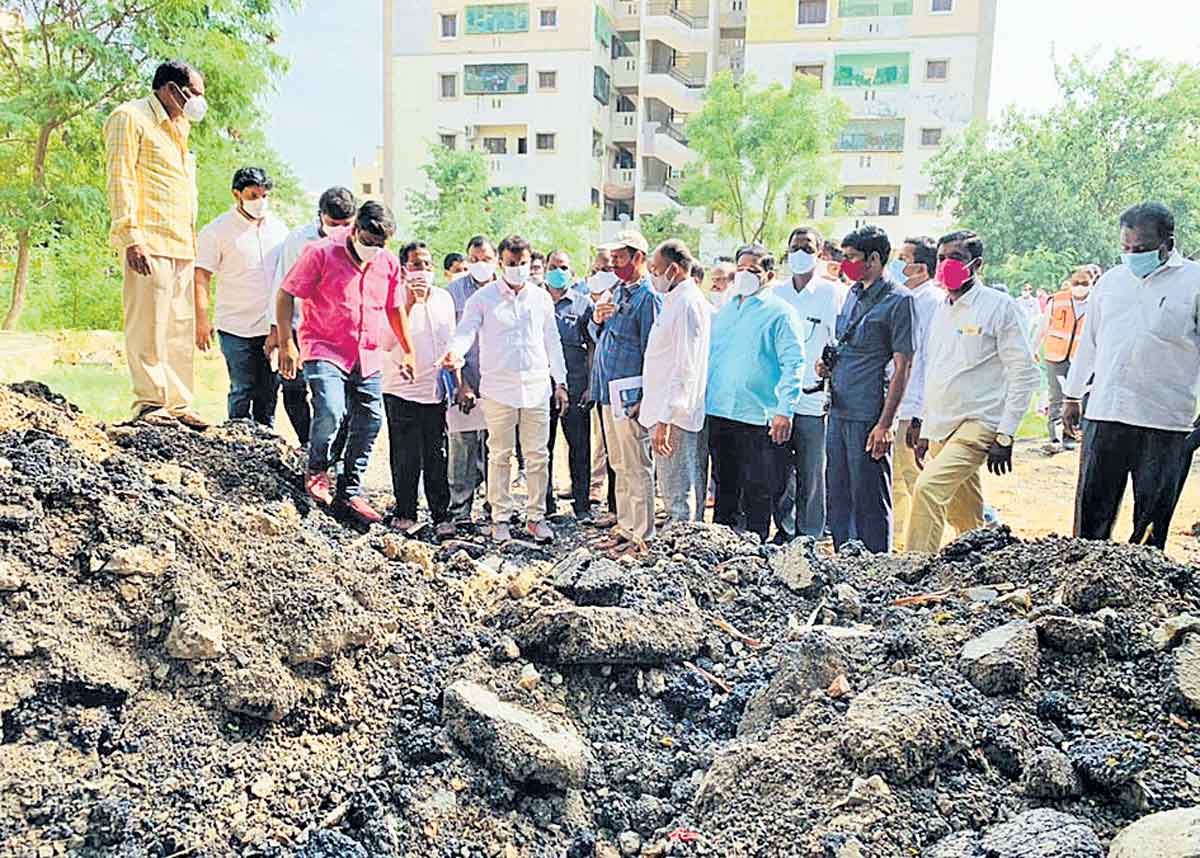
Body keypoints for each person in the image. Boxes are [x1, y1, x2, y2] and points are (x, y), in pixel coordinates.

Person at [1064, 202, 1200, 550]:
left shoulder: (1194, 283)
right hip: (1106, 413)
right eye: (1125, 248)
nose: (1131, 255)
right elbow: (1090, 344)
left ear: (1167, 242)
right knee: (1091, 516)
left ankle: (1143, 595)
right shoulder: (1111, 282)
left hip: (1165, 420)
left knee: (1151, 522)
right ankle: (1084, 581)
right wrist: (1073, 395)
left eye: (1140, 249)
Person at [277, 201, 412, 524]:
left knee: (370, 419)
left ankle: (349, 489)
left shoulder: (388, 263)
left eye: (380, 245)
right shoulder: (321, 252)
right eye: (368, 242)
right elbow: (286, 294)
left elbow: (395, 308)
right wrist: (285, 343)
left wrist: (408, 350)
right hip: (324, 346)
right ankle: (317, 468)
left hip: (367, 352)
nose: (373, 249)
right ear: (354, 230)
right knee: (331, 410)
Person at [905, 230, 1040, 555]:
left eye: (956, 258)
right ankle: (984, 561)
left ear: (975, 264)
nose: (946, 265)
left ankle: (913, 567)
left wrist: (1005, 435)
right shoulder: (941, 310)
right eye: (941, 258)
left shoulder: (999, 307)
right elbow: (936, 370)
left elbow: (1024, 373)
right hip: (943, 424)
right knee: (965, 515)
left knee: (928, 489)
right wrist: (922, 422)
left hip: (980, 423)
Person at [442, 234, 569, 544]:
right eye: (511, 264)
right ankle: (500, 518)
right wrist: (455, 353)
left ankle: (535, 517)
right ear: (501, 263)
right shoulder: (482, 300)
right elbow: (466, 331)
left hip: (536, 388)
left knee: (538, 455)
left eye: (522, 264)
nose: (517, 269)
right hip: (498, 390)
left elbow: (552, 341)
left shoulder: (540, 299)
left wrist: (560, 382)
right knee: (499, 455)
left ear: (529, 263)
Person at [104, 60, 209, 429]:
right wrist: (131, 237)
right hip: (149, 240)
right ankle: (150, 402)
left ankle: (179, 402)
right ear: (169, 89)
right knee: (147, 323)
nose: (198, 101)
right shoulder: (129, 117)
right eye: (194, 93)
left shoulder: (179, 127)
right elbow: (120, 180)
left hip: (181, 242)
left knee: (178, 328)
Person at [817, 225, 914, 554]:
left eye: (852, 258)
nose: (846, 264)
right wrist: (827, 366)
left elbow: (903, 366)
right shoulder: (852, 294)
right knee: (839, 493)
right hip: (840, 408)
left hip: (868, 412)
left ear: (874, 259)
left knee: (869, 498)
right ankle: (846, 560)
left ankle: (875, 568)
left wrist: (885, 424)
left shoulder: (899, 301)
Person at [706, 244, 805, 541]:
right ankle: (721, 553)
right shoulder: (726, 308)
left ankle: (754, 555)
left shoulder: (781, 313)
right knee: (724, 487)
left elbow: (794, 362)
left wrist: (784, 410)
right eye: (741, 269)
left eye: (754, 270)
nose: (745, 275)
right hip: (720, 411)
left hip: (758, 416)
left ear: (769, 275)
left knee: (757, 493)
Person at [584, 229, 663, 553]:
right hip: (608, 392)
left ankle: (642, 535)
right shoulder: (616, 290)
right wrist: (597, 319)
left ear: (638, 258)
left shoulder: (648, 297)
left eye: (619, 258)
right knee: (619, 465)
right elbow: (599, 333)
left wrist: (647, 396)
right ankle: (626, 526)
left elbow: (653, 350)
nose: (614, 264)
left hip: (631, 396)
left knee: (637, 465)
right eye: (612, 258)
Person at [194, 167, 289, 427]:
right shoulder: (217, 231)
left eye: (264, 195)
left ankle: (266, 445)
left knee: (269, 392)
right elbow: (201, 275)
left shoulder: (280, 230)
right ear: (237, 194)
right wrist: (202, 320)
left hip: (271, 325)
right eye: (253, 195)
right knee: (242, 388)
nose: (260, 202)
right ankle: (237, 440)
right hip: (234, 325)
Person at [270, 186, 358, 446]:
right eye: (334, 224)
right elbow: (283, 286)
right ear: (320, 216)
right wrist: (281, 336)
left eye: (346, 224)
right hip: (300, 325)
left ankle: (332, 450)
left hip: (337, 330)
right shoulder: (299, 240)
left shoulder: (358, 241)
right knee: (293, 386)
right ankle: (308, 442)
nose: (340, 229)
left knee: (336, 398)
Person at [769, 226, 841, 541]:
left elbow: (840, 342)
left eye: (808, 248)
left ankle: (809, 533)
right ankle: (784, 529)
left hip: (814, 398)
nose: (801, 254)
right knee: (779, 471)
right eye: (795, 247)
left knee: (813, 472)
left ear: (820, 252)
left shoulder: (833, 293)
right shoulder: (776, 293)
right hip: (779, 399)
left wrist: (830, 368)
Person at [382, 240, 456, 538]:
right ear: (403, 269)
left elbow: (449, 340)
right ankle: (405, 512)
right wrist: (409, 304)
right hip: (400, 389)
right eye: (415, 265)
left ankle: (441, 514)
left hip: (434, 390)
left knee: (435, 455)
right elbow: (385, 342)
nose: (422, 271)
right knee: (405, 454)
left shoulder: (443, 299)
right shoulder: (394, 299)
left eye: (427, 265)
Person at [642, 240, 711, 523]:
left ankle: (682, 553)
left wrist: (666, 419)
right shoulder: (676, 300)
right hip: (665, 410)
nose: (653, 276)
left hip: (674, 416)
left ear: (673, 269)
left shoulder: (687, 303)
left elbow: (686, 366)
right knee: (673, 488)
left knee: (679, 493)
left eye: (656, 270)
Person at [890, 236, 944, 551]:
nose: (897, 265)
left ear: (920, 268)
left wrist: (921, 415)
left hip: (914, 410)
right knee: (897, 482)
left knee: (916, 481)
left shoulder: (931, 303)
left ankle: (923, 550)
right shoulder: (907, 299)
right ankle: (899, 547)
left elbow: (929, 362)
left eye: (903, 259)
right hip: (898, 406)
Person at [445, 235, 497, 527]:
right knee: (462, 447)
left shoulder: (505, 291)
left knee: (496, 447)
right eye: (474, 259)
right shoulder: (453, 292)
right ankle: (461, 510)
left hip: (497, 383)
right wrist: (460, 383)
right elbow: (449, 341)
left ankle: (495, 507)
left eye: (486, 259)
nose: (480, 265)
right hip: (464, 380)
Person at [543, 249, 594, 521]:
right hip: (542, 387)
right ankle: (546, 505)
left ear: (571, 272)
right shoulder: (536, 300)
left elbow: (591, 347)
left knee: (580, 447)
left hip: (576, 386)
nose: (558, 271)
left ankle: (582, 505)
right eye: (554, 266)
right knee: (542, 448)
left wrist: (589, 385)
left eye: (563, 267)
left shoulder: (583, 304)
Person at [1033, 266, 1091, 452]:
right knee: (1056, 397)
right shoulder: (1058, 300)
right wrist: (1033, 348)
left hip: (1081, 360)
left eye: (1084, 283)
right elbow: (1043, 326)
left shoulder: (1097, 302)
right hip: (1056, 356)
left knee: (1076, 399)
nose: (1080, 286)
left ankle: (1072, 436)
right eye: (1076, 283)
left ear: (1092, 284)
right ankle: (1055, 438)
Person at [585, 267, 619, 519]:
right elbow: (594, 335)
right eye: (596, 269)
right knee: (608, 449)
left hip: (626, 390)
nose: (603, 272)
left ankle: (624, 513)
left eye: (609, 266)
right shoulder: (605, 299)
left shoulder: (640, 296)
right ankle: (615, 509)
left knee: (626, 459)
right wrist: (597, 319)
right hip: (603, 388)